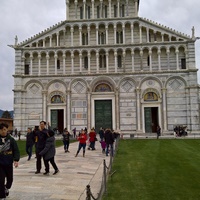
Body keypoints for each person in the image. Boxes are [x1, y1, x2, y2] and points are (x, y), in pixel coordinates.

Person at [0, 123, 20, 199]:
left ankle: (6, 188)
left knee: (10, 180)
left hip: (8, 163)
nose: (3, 131)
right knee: (0, 181)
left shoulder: (11, 140)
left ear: (7, 130)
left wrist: (16, 160)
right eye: (1, 130)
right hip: (0, 164)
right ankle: (2, 196)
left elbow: (16, 150)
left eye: (5, 129)